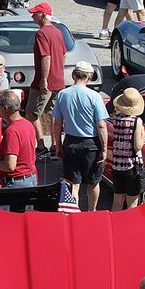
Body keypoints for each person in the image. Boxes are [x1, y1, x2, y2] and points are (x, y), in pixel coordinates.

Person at [51, 61, 109, 211]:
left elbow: (57, 123)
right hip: (91, 143)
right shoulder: (95, 96)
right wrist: (104, 148)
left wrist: (58, 145)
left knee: (74, 183)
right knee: (93, 182)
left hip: (70, 142)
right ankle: (91, 211)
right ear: (89, 76)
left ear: (73, 75)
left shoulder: (63, 95)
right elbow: (101, 125)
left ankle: (74, 212)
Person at [25, 3, 66, 158]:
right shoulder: (58, 32)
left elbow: (46, 56)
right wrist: (58, 72)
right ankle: (56, 147)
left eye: (35, 13)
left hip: (44, 81)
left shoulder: (41, 33)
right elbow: (63, 55)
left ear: (42, 15)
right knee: (54, 113)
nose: (32, 16)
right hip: (58, 81)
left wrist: (43, 79)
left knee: (31, 113)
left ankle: (41, 146)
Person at [110, 87, 145, 211]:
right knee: (132, 201)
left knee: (117, 200)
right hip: (131, 165)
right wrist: (144, 139)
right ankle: (128, 226)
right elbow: (137, 145)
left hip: (116, 164)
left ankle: (115, 224)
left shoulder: (115, 118)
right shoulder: (136, 121)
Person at [0, 91, 38, 187]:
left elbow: (10, 165)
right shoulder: (28, 124)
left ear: (5, 108)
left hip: (16, 182)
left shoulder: (11, 132)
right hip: (29, 179)